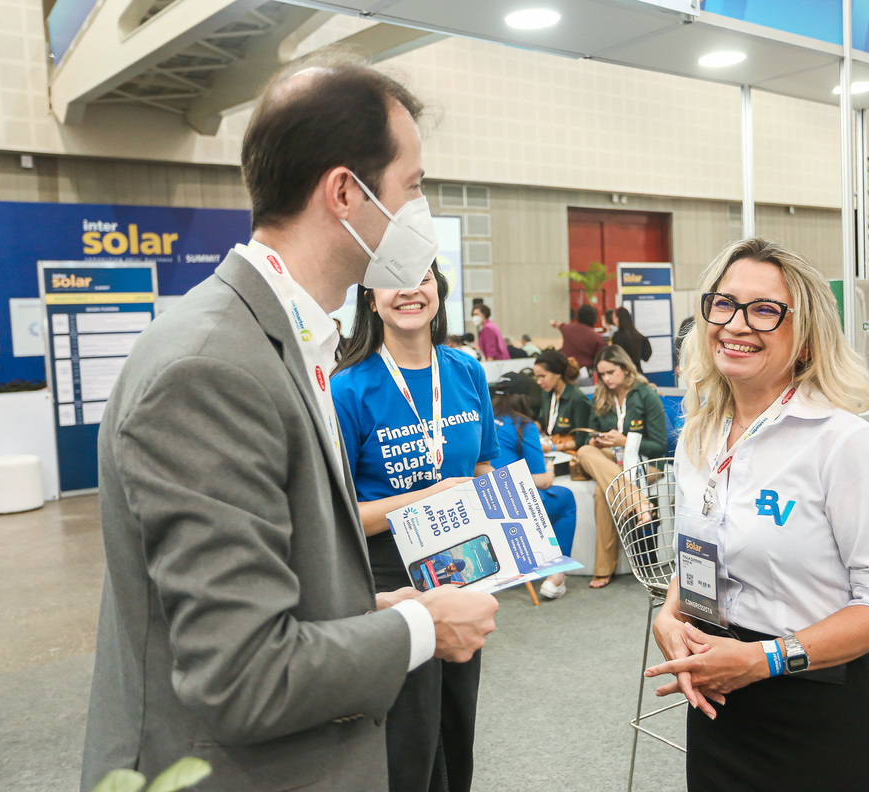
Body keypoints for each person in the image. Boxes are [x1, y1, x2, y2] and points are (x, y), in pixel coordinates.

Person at [80, 59, 498, 792]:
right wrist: (424, 628)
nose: (421, 211)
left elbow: (263, 581)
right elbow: (241, 673)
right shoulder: (211, 368)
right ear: (345, 193)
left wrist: (370, 609)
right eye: (413, 187)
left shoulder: (279, 340)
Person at [643, 237, 869, 792]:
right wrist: (671, 615)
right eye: (724, 304)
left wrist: (763, 661)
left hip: (810, 702)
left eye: (765, 311)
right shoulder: (698, 434)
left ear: (806, 337)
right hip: (717, 692)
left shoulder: (844, 445)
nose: (737, 325)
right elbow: (703, 549)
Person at [332, 260, 499, 792]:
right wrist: (428, 495)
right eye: (394, 278)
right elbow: (336, 520)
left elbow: (481, 470)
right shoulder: (348, 389)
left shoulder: (466, 370)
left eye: (423, 278)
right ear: (369, 295)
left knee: (456, 724)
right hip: (386, 579)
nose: (410, 290)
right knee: (407, 739)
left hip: (459, 568)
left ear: (438, 291)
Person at [574, 345, 668, 589]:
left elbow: (659, 445)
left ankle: (603, 569)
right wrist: (595, 441)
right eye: (601, 374)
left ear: (625, 369)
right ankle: (639, 503)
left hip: (645, 462)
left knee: (602, 491)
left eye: (610, 372)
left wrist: (627, 441)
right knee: (585, 450)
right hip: (610, 459)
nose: (606, 379)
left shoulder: (646, 395)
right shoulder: (600, 396)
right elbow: (587, 439)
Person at [489, 379, 577, 599]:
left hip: (480, 506)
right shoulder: (522, 425)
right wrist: (549, 470)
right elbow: (542, 481)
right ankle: (555, 576)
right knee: (565, 498)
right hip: (511, 509)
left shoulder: (482, 421)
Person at [532, 349, 591, 452]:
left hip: (568, 450)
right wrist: (529, 429)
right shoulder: (547, 394)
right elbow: (542, 421)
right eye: (536, 378)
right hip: (549, 443)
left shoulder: (577, 399)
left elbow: (581, 439)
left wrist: (553, 448)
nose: (538, 382)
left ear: (558, 373)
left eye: (542, 377)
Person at [550, 303, 605, 371]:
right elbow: (600, 358)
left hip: (566, 369)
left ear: (578, 316)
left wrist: (553, 323)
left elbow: (558, 324)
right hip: (586, 371)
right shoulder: (597, 337)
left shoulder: (567, 328)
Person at [611, 306, 653, 373]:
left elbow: (617, 357)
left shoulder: (617, 336)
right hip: (638, 372)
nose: (613, 320)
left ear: (618, 319)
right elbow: (646, 356)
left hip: (625, 372)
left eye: (614, 318)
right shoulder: (638, 335)